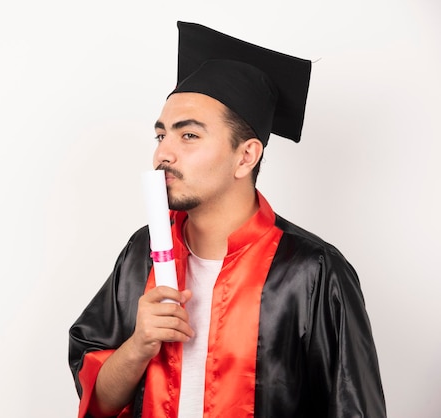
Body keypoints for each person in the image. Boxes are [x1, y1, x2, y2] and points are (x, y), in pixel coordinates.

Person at [68, 21, 386, 418]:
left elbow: (353, 408)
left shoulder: (312, 272)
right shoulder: (142, 253)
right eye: (161, 135)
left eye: (188, 136)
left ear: (245, 156)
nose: (162, 154)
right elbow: (98, 400)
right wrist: (138, 345)